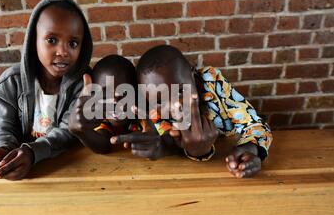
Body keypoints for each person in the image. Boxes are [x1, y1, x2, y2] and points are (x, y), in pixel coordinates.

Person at [112, 45, 273, 178]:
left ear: (194, 76)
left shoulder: (211, 83)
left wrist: (252, 149)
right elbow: (169, 141)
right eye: (160, 101)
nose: (175, 106)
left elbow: (256, 124)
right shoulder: (152, 112)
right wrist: (186, 149)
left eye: (180, 91)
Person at [0, 0, 93, 180]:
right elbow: (3, 125)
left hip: (66, 172)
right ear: (33, 40)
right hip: (25, 176)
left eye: (73, 43)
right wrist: (2, 149)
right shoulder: (11, 82)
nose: (63, 51)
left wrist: (33, 152)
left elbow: (68, 133)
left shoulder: (83, 85)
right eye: (52, 40)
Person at [69, 54, 171, 157]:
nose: (115, 102)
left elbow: (170, 137)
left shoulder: (146, 111)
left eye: (125, 94)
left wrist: (161, 145)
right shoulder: (102, 115)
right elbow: (103, 145)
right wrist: (78, 131)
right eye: (105, 95)